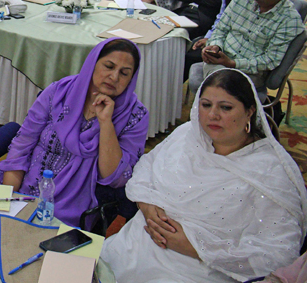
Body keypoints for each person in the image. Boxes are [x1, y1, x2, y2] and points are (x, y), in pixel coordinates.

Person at [101, 68, 307, 283]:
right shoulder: (186, 136)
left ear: (249, 112)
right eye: (206, 105)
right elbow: (146, 168)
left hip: (196, 270)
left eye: (226, 107)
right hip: (138, 240)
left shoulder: (268, 172)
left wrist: (197, 249)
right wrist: (147, 206)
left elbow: (279, 254)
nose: (212, 115)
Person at [0, 38, 149, 229]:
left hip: (71, 208)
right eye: (109, 66)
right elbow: (22, 146)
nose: (114, 77)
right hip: (22, 185)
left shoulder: (134, 115)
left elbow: (114, 178)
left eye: (124, 73)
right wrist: (7, 200)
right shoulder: (59, 92)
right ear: (93, 63)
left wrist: (106, 123)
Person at [188, 0, 304, 99]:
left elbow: (270, 60)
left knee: (218, 84)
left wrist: (233, 63)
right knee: (216, 79)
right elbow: (220, 29)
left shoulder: (290, 20)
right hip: (222, 58)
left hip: (250, 72)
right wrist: (215, 47)